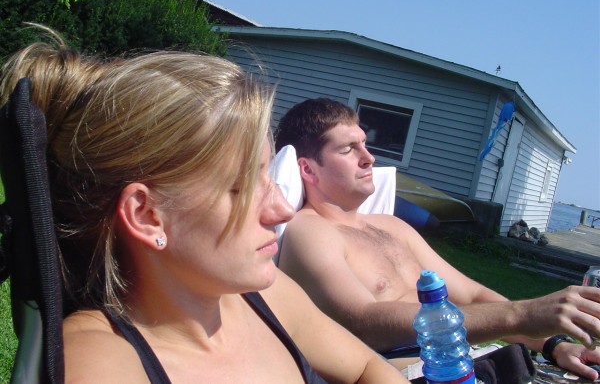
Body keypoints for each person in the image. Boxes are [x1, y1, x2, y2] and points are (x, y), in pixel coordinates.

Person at [0, 27, 409, 383]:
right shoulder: (101, 360)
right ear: (147, 215)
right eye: (242, 187)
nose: (283, 210)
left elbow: (366, 369)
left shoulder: (262, 297)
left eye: (268, 175)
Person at [274, 97, 600, 380]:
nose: (369, 157)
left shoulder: (390, 226)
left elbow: (471, 294)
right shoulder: (310, 231)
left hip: (471, 363)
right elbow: (364, 322)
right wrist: (522, 315)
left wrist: (554, 344)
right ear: (308, 170)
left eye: (364, 144)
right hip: (409, 374)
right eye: (348, 149)